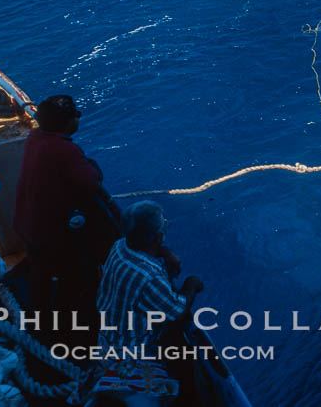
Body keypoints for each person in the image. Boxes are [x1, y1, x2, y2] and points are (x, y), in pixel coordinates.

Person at [14, 95, 120, 347]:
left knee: (38, 273)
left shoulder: (34, 138)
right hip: (50, 234)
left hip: (26, 224)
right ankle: (64, 332)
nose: (77, 118)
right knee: (74, 277)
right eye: (74, 116)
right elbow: (91, 181)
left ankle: (38, 320)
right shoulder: (64, 149)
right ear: (67, 123)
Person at [78, 201, 203, 404]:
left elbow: (141, 247)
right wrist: (192, 284)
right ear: (158, 237)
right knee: (174, 392)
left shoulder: (119, 246)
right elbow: (177, 312)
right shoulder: (150, 277)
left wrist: (163, 251)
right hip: (131, 350)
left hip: (107, 338)